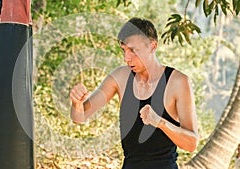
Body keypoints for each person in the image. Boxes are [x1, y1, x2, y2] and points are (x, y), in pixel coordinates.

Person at [70, 17, 198, 169]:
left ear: (152, 46)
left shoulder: (178, 82)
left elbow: (191, 144)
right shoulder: (120, 77)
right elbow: (80, 117)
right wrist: (76, 104)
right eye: (124, 50)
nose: (126, 58)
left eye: (133, 51)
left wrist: (160, 122)